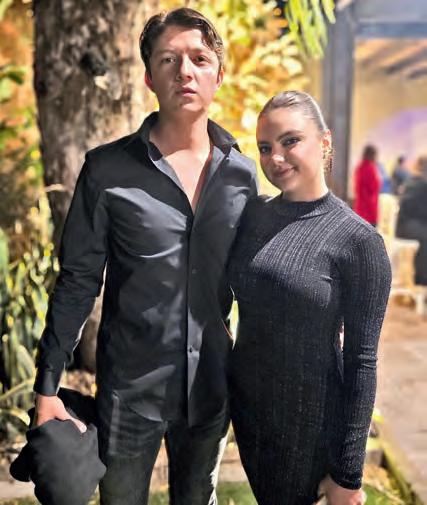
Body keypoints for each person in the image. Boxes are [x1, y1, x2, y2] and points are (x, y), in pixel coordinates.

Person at [33, 8, 257, 505]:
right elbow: (78, 280)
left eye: (199, 59)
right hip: (129, 392)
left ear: (219, 74)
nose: (185, 71)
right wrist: (47, 385)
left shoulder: (242, 175)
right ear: (149, 77)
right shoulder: (106, 170)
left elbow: (256, 278)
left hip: (210, 387)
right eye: (169, 59)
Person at [227, 91, 391, 505]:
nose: (276, 158)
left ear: (324, 141)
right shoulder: (254, 216)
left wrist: (348, 474)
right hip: (250, 420)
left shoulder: (358, 241)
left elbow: (361, 361)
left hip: (309, 430)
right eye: (265, 147)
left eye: (290, 141)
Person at [396, 156, 427, 285]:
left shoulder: (410, 182)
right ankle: (422, 280)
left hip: (402, 227)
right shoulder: (423, 185)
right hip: (413, 228)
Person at [353, 144, 381, 226]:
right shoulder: (371, 168)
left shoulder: (359, 168)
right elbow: (373, 188)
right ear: (373, 155)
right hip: (369, 209)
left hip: (359, 208)